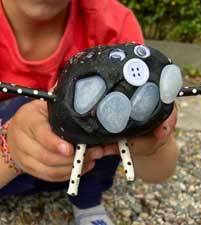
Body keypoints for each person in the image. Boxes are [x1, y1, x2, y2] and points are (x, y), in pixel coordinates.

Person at [0, 0, 179, 224]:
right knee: (22, 106)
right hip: (7, 178)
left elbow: (160, 171)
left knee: (109, 119)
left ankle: (87, 202)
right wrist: (10, 150)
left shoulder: (112, 25)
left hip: (86, 165)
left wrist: (152, 136)